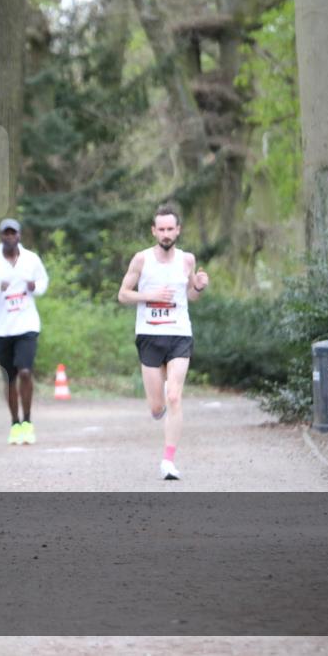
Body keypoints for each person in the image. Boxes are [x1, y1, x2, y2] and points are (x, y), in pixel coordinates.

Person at [117, 203, 209, 480]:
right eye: (162, 229)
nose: (166, 234)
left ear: (178, 230)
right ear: (154, 231)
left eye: (171, 229)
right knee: (157, 407)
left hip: (180, 334)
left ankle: (168, 461)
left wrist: (199, 287)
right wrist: (150, 295)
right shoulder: (141, 260)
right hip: (149, 335)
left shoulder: (187, 260)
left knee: (174, 396)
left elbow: (191, 296)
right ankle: (161, 408)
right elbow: (123, 294)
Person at [0, 218, 49, 445]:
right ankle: (15, 423)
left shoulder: (31, 259)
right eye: (6, 234)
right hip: (1, 328)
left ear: (19, 235)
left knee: (26, 372)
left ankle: (27, 421)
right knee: (10, 378)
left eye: (13, 233)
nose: (10, 237)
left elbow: (43, 282)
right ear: (0, 236)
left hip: (26, 325)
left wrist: (33, 287)